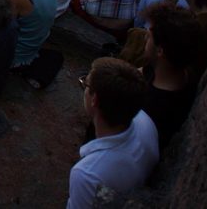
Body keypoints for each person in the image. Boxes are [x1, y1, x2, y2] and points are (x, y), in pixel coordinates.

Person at [68, 58, 159, 208]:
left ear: (94, 100)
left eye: (85, 84)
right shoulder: (146, 123)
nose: (83, 88)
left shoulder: (87, 175)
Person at [142, 4, 200, 150]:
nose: (144, 37)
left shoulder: (153, 108)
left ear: (160, 50)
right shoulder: (183, 73)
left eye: (149, 36)